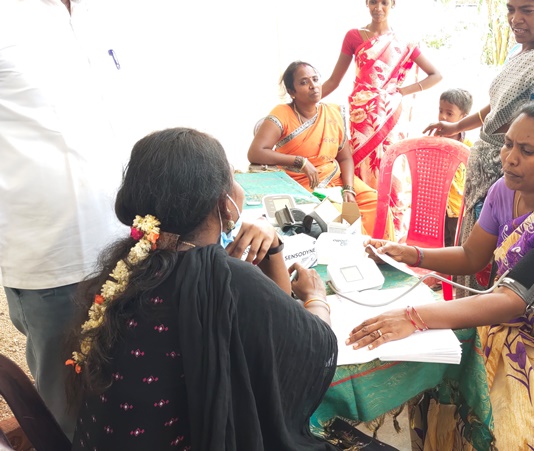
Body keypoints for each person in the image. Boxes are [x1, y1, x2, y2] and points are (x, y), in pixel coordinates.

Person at [349, 103, 534, 450]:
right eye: (508, 144)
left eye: (527, 150)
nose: (510, 159)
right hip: (514, 319)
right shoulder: (505, 190)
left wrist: (414, 317)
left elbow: (511, 300)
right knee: (434, 381)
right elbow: (472, 256)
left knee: (500, 430)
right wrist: (412, 254)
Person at [67, 128, 338, 450]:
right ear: (225, 203)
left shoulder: (129, 267)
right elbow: (313, 345)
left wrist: (273, 245)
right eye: (232, 176)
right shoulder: (228, 280)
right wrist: (316, 297)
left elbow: (274, 321)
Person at [0, 0, 127, 438]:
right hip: (51, 259)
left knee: (126, 385)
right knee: (68, 411)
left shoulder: (98, 15)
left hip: (126, 244)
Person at [423, 0, 534, 295]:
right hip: (489, 181)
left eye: (527, 10)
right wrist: (458, 126)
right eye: (511, 9)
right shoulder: (523, 51)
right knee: (471, 266)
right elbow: (498, 107)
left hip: (508, 183)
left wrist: (506, 162)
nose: (515, 19)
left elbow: (533, 134)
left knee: (491, 279)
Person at [249, 61, 387, 238]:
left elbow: (345, 158)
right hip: (303, 183)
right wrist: (300, 162)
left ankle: (381, 250)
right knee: (339, 216)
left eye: (315, 79)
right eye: (304, 82)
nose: (313, 85)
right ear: (291, 92)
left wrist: (349, 189)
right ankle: (359, 250)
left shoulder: (332, 113)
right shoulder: (282, 113)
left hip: (336, 179)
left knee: (376, 204)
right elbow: (256, 152)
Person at [321, 0, 443, 189]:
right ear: (366, 3)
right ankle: (364, 205)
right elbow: (333, 81)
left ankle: (390, 209)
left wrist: (402, 91)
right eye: (373, 2)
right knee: (361, 164)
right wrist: (304, 100)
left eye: (384, 3)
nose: (378, 8)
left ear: (393, 4)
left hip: (390, 115)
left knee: (391, 166)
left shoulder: (403, 42)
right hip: (362, 115)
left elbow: (436, 75)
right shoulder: (353, 36)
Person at [437, 88, 474, 247]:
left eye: (449, 113)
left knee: (455, 244)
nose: (443, 117)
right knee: (437, 244)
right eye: (440, 111)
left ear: (463, 118)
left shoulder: (468, 148)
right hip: (437, 206)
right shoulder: (433, 141)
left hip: (457, 209)